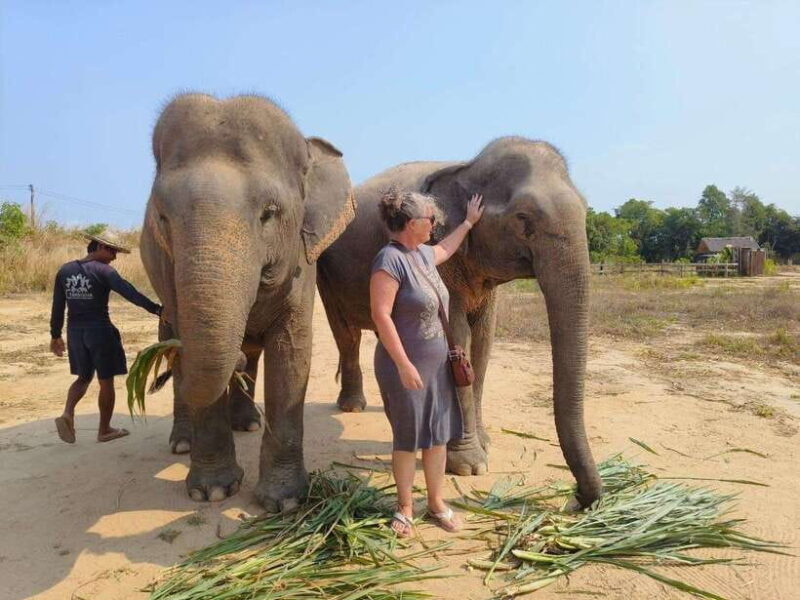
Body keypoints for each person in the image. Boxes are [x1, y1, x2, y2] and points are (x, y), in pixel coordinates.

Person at [370, 188, 484, 537]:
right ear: (410, 223)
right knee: (408, 439)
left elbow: (446, 248)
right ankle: (405, 506)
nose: (434, 223)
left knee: (436, 438)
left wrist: (468, 222)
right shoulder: (389, 260)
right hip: (403, 367)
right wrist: (403, 364)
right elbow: (381, 315)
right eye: (429, 219)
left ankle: (436, 502)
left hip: (437, 367)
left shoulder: (421, 254)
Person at [49, 233, 163, 443]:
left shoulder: (65, 270)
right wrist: (157, 310)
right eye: (112, 251)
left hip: (75, 331)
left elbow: (58, 306)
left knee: (83, 377)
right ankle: (104, 430)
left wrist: (55, 335)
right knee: (106, 381)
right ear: (100, 246)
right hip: (99, 331)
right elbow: (130, 293)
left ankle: (67, 413)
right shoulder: (104, 271)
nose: (114, 257)